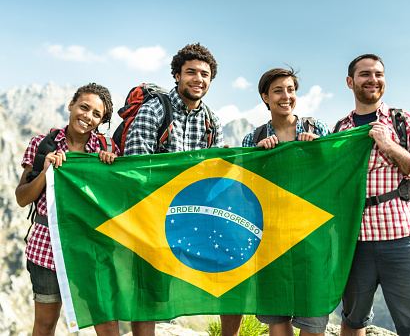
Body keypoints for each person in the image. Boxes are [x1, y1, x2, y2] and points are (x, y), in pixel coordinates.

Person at [123, 43, 242, 336]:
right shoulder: (154, 111)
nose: (198, 79)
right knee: (150, 294)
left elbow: (210, 180)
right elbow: (137, 170)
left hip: (192, 214)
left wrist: (221, 167)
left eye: (205, 74)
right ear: (177, 75)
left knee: (234, 265)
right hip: (152, 216)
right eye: (191, 72)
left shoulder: (211, 120)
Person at [334, 54, 410, 336]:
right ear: (350, 82)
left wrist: (390, 146)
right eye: (365, 74)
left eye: (379, 74)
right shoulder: (340, 130)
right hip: (355, 241)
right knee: (352, 320)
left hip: (401, 237)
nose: (373, 80)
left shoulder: (404, 121)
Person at [15, 83, 120, 336]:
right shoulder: (42, 145)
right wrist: (45, 172)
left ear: (102, 120)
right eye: (84, 107)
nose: (88, 117)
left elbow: (116, 202)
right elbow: (21, 197)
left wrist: (110, 168)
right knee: (45, 324)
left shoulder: (106, 149)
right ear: (71, 104)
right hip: (46, 247)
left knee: (106, 321)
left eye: (97, 114)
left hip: (92, 247)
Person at [242, 67, 330, 336]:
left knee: (314, 318)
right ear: (265, 97)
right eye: (278, 90)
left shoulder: (317, 129)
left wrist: (318, 151)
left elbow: (334, 179)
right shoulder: (253, 139)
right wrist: (259, 160)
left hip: (312, 237)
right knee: (276, 317)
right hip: (271, 238)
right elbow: (246, 194)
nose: (286, 96)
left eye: (290, 90)